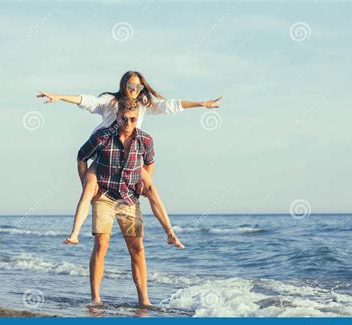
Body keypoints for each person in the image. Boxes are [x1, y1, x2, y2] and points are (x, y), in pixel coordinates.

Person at [36, 71, 222, 247]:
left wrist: (201, 104)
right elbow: (87, 100)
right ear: (124, 85)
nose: (134, 90)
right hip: (103, 154)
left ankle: (170, 234)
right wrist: (59, 97)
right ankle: (75, 234)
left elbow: (170, 105)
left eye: (139, 88)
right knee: (88, 189)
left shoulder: (141, 105)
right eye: (131, 85)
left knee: (151, 189)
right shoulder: (110, 102)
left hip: (129, 156)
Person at [78, 97, 155, 306]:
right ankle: (95, 298)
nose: (128, 124)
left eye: (132, 119)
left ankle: (144, 300)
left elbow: (149, 163)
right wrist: (87, 185)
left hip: (129, 198)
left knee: (137, 247)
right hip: (103, 196)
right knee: (101, 243)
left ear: (137, 118)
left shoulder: (145, 140)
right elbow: (81, 156)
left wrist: (141, 181)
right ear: (117, 116)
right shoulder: (102, 137)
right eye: (123, 119)